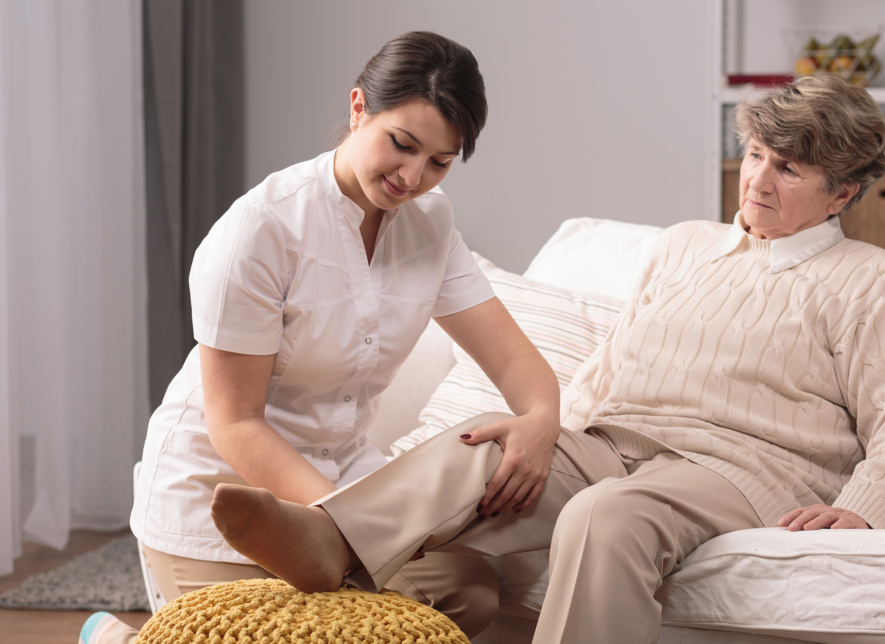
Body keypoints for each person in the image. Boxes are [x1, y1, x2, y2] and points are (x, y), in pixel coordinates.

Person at [207, 76, 885, 644]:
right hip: (612, 442)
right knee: (487, 444)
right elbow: (612, 366)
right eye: (754, 155)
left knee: (606, 515)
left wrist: (863, 513)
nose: (757, 180)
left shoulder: (872, 281)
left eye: (788, 169)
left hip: (737, 472)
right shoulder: (685, 245)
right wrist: (544, 439)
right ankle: (327, 536)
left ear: (842, 191)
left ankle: (341, 545)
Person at [79, 31, 563, 644]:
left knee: (467, 594)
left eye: (439, 162)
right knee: (264, 632)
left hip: (343, 489)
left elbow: (514, 359)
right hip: (220, 495)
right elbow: (236, 425)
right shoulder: (260, 230)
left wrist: (542, 419)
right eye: (403, 145)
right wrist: (348, 526)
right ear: (359, 108)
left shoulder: (430, 226)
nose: (413, 177)